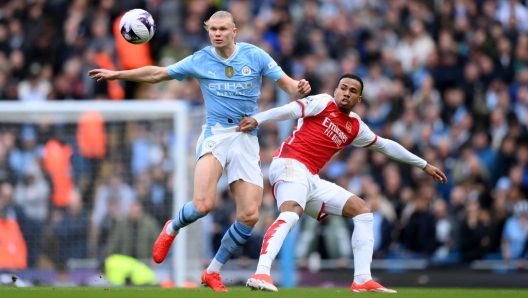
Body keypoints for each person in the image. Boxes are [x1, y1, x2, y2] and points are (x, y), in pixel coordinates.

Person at [88, 11, 311, 292]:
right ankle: (172, 227)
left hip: (245, 138)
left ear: (234, 31)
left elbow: (290, 86)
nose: (217, 33)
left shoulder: (256, 56)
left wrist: (300, 88)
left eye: (222, 29)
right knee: (203, 204)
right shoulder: (201, 59)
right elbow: (157, 73)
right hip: (215, 136)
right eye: (212, 29)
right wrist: (117, 74)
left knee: (250, 215)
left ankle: (212, 271)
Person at [237, 74, 447, 292]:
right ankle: (261, 272)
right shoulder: (323, 102)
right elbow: (290, 110)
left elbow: (385, 146)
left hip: (310, 177)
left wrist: (424, 165)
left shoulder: (355, 126)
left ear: (359, 99)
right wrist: (258, 119)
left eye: (353, 91)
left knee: (362, 210)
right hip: (289, 162)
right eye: (343, 88)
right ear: (336, 91)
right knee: (290, 213)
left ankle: (362, 279)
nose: (346, 93)